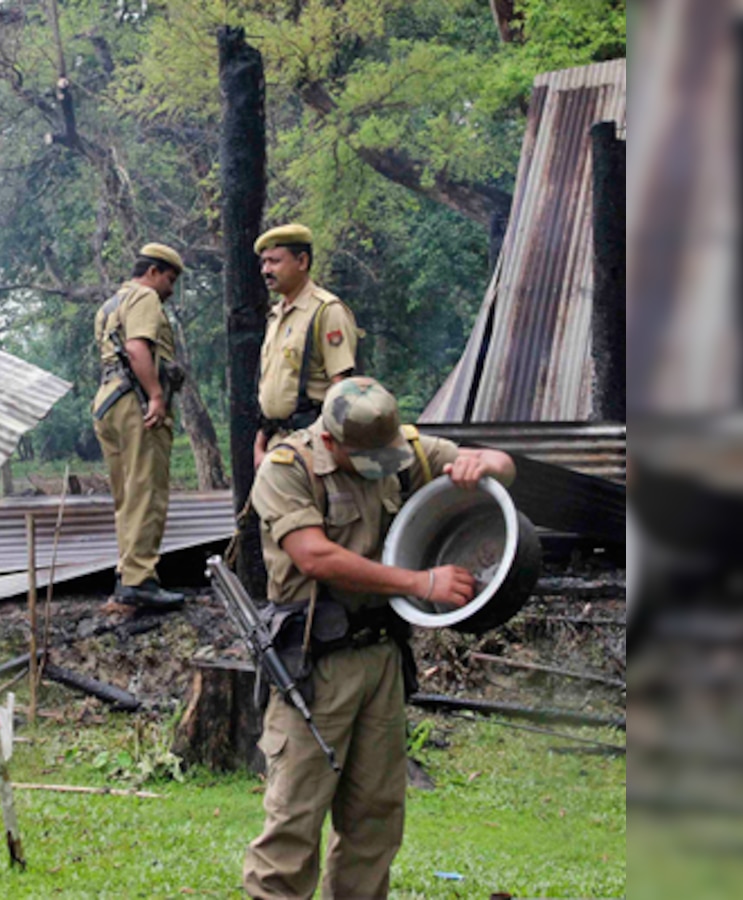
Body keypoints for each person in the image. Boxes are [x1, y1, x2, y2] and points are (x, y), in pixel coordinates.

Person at [242, 376, 516, 899]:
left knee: (375, 817)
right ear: (330, 441)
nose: (382, 468)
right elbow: (314, 556)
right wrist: (420, 583)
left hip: (382, 657)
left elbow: (502, 463)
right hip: (314, 664)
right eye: (366, 459)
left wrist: (485, 466)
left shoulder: (402, 450)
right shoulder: (286, 469)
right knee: (294, 819)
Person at [91, 243, 187, 609]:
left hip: (108, 401)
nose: (170, 289)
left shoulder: (110, 305)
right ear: (152, 272)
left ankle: (126, 571)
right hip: (135, 403)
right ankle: (139, 579)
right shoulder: (145, 298)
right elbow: (136, 348)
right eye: (169, 278)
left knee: (126, 496)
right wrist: (157, 396)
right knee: (147, 491)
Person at [253, 223, 360, 472]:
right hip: (277, 443)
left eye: (275, 261)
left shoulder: (326, 310)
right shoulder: (276, 315)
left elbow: (341, 388)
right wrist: (260, 445)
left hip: (312, 442)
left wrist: (326, 445)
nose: (266, 270)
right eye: (264, 263)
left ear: (302, 261)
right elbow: (271, 389)